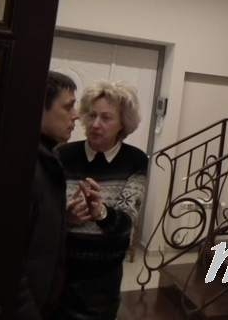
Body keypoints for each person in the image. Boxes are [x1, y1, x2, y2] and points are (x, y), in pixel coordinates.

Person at [56, 82, 148, 320]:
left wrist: (102, 213)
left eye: (106, 118)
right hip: (60, 270)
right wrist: (66, 218)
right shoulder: (62, 154)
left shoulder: (135, 160)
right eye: (91, 115)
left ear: (123, 124)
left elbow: (127, 222)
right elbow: (42, 217)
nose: (95, 124)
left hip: (103, 279)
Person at [13, 71, 79, 320]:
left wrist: (64, 220)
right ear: (38, 107)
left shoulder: (47, 158)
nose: (77, 115)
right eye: (68, 107)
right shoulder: (22, 163)